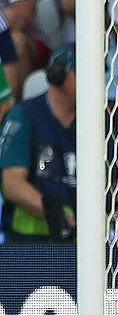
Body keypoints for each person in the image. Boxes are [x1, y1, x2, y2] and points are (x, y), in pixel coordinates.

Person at [0, 48, 75, 242]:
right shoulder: (23, 116)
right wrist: (62, 218)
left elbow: (116, 182)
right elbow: (12, 184)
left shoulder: (99, 122)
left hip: (90, 246)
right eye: (84, 71)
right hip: (30, 245)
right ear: (58, 75)